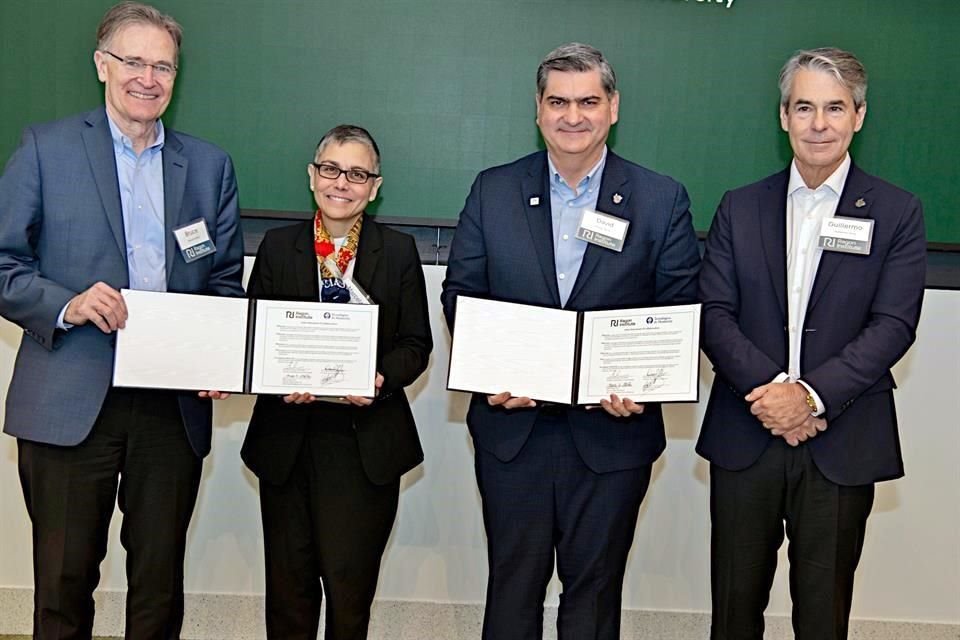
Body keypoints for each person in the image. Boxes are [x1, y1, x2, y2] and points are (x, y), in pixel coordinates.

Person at [0, 2, 245, 638]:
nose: (149, 77)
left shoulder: (209, 166)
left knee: (159, 588)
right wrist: (66, 303)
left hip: (169, 408)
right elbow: (3, 264)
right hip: (68, 396)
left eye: (163, 65)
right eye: (133, 61)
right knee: (62, 583)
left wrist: (215, 357)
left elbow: (221, 282)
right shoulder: (46, 148)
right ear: (102, 65)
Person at [440, 43, 701, 639]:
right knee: (512, 591)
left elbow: (680, 307)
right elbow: (462, 293)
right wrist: (489, 371)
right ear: (538, 110)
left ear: (613, 107)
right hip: (514, 433)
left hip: (612, 435)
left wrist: (643, 384)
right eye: (558, 101)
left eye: (588, 101)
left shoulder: (661, 200)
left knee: (595, 594)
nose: (573, 115)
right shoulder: (494, 190)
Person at [697, 47, 926, 639]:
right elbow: (715, 314)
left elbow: (895, 324)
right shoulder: (739, 207)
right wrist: (775, 394)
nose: (818, 124)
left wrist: (812, 396)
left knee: (823, 617)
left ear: (859, 116)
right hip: (747, 432)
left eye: (834, 108)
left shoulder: (898, 212)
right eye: (804, 107)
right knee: (732, 610)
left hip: (843, 438)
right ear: (783, 117)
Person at [241, 124, 432, 640]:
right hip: (287, 444)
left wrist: (378, 378)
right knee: (288, 594)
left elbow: (416, 344)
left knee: (349, 597)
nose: (341, 183)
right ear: (311, 176)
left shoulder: (397, 251)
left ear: (375, 185)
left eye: (357, 173)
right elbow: (255, 337)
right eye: (330, 169)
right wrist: (281, 376)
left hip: (364, 446)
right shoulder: (278, 248)